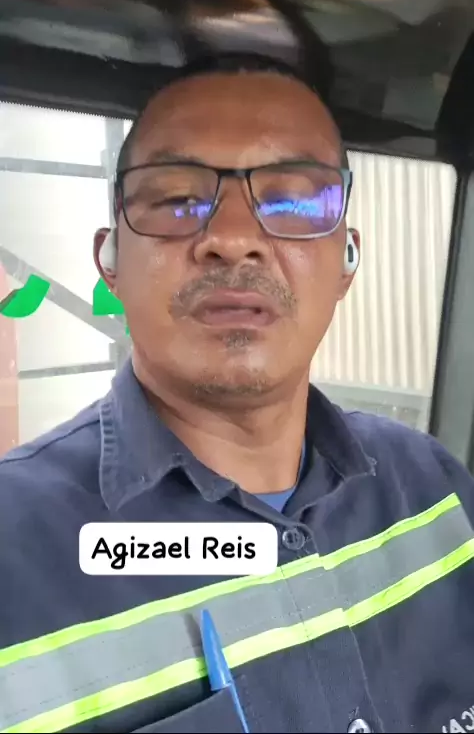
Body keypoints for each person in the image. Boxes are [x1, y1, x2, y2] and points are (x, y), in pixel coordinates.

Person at [1, 52, 474, 734]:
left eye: (291, 201)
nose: (230, 239)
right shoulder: (13, 553)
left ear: (347, 260)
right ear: (110, 261)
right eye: (176, 201)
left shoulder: (435, 486)